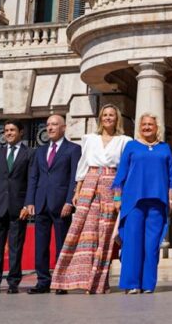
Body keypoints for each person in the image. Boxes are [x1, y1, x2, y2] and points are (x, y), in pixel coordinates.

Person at [51, 105, 132, 294]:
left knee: (106, 234)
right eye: (105, 115)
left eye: (111, 115)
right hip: (90, 183)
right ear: (100, 118)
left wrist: (121, 193)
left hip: (112, 185)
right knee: (84, 232)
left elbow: (125, 169)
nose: (108, 118)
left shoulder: (124, 141)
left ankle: (99, 282)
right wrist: (77, 191)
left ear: (117, 118)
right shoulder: (90, 139)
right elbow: (83, 165)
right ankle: (74, 279)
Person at [112, 113, 172, 294]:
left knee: (152, 244)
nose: (147, 127)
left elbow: (171, 176)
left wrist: (170, 198)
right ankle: (132, 284)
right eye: (144, 124)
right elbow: (121, 174)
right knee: (132, 243)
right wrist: (117, 198)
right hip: (133, 202)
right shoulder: (131, 146)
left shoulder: (165, 148)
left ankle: (148, 284)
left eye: (151, 125)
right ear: (140, 127)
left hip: (158, 201)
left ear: (157, 128)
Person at [24, 114, 81, 294]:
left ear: (63, 127)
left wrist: (69, 202)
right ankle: (43, 281)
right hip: (40, 203)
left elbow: (74, 177)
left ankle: (61, 281)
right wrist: (29, 201)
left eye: (54, 124)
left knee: (61, 245)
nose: (50, 128)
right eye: (48, 125)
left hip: (61, 204)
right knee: (40, 245)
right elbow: (33, 177)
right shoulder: (39, 151)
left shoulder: (73, 149)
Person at [0, 119, 34, 294]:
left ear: (21, 132)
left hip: (18, 209)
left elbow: (31, 182)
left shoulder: (29, 154)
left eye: (12, 130)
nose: (9, 133)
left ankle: (13, 282)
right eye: (6, 130)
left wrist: (27, 204)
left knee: (16, 247)